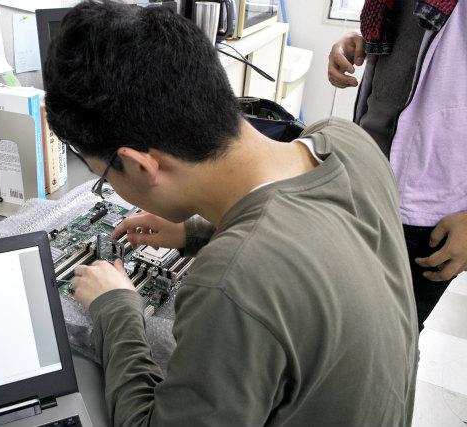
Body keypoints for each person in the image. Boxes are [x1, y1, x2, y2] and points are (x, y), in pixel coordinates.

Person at [43, 1, 418, 425]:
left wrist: (116, 309)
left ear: (142, 166)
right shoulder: (348, 141)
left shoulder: (231, 283)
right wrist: (196, 231)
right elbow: (307, 230)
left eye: (105, 178)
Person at [328, 0, 466, 332]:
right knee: (332, 327)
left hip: (428, 214)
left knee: (386, 343)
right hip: (362, 174)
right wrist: (361, 41)